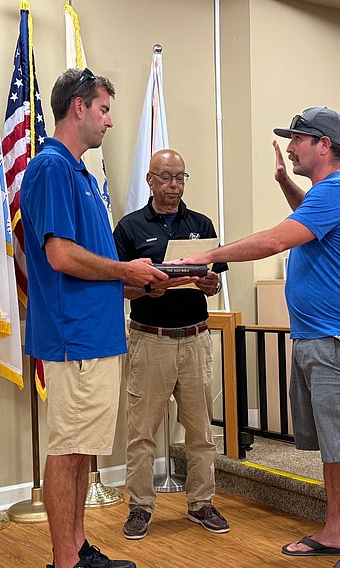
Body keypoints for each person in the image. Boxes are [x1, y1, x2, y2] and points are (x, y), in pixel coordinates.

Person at [172, 107, 340, 568]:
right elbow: (303, 217)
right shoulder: (323, 197)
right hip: (313, 339)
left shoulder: (339, 191)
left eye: (298, 139)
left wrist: (209, 255)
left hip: (337, 342)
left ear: (324, 144)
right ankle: (333, 530)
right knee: (332, 445)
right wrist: (286, 183)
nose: (290, 145)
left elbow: (274, 241)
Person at [21, 68, 167, 568]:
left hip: (97, 333)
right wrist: (125, 272)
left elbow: (94, 265)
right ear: (78, 108)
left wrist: (137, 284)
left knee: (82, 451)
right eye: (104, 109)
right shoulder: (50, 168)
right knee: (68, 449)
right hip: (74, 338)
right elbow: (59, 256)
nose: (110, 119)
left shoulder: (81, 176)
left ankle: (77, 548)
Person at [113, 149, 230, 540]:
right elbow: (120, 288)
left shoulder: (201, 224)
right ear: (150, 180)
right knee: (142, 432)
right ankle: (140, 507)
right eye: (165, 177)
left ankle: (201, 503)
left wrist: (212, 285)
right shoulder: (130, 228)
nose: (174, 185)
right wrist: (148, 288)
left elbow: (213, 279)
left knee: (200, 432)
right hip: (151, 341)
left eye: (180, 177)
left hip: (195, 339)